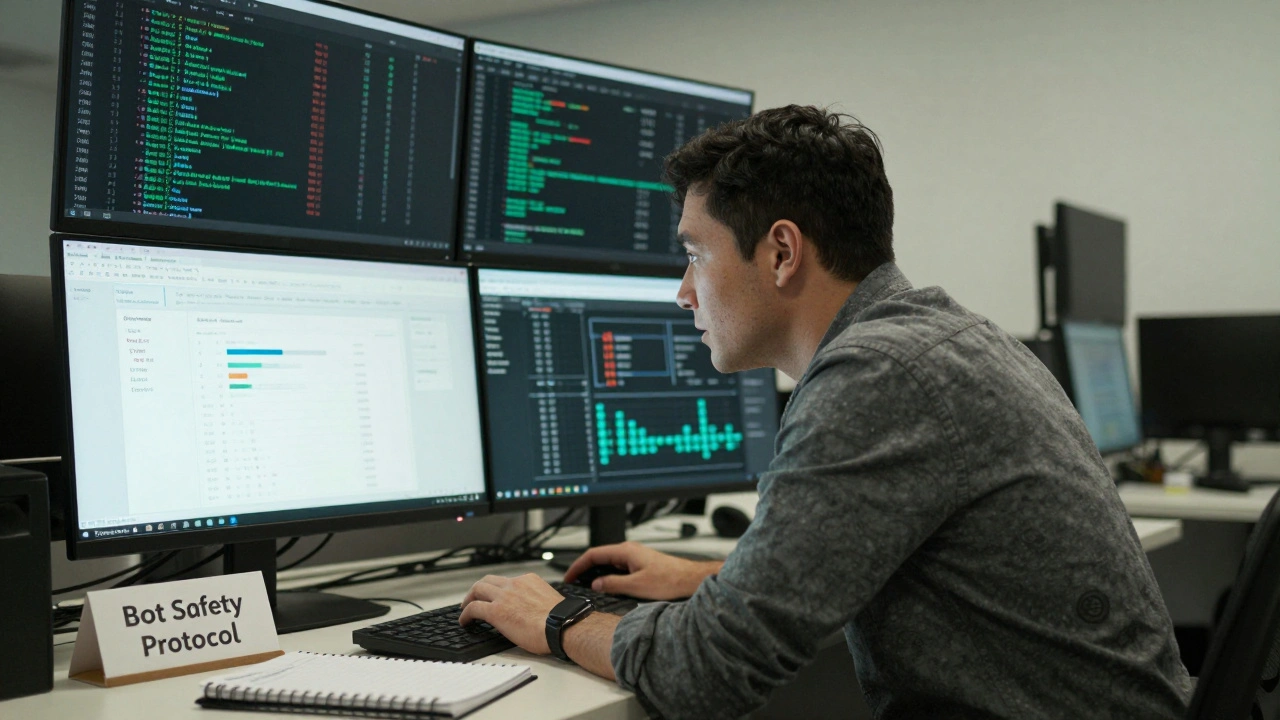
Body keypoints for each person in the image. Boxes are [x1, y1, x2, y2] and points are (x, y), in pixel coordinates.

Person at [458, 105, 1192, 719]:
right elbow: (879, 563)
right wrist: (713, 578)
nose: (684, 292)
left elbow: (705, 672)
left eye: (695, 255)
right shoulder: (943, 338)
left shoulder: (877, 377)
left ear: (781, 251)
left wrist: (556, 618)